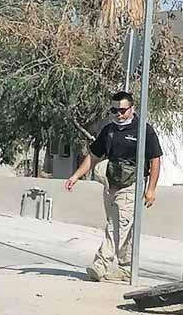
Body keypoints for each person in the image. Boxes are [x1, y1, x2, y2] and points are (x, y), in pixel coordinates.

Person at [65, 91, 162, 282]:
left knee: (117, 225)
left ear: (132, 108)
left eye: (123, 111)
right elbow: (94, 156)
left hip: (131, 185)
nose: (119, 114)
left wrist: (151, 190)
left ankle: (100, 264)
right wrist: (75, 176)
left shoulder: (143, 130)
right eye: (114, 110)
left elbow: (155, 160)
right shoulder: (108, 130)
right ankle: (125, 268)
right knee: (119, 226)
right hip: (111, 184)